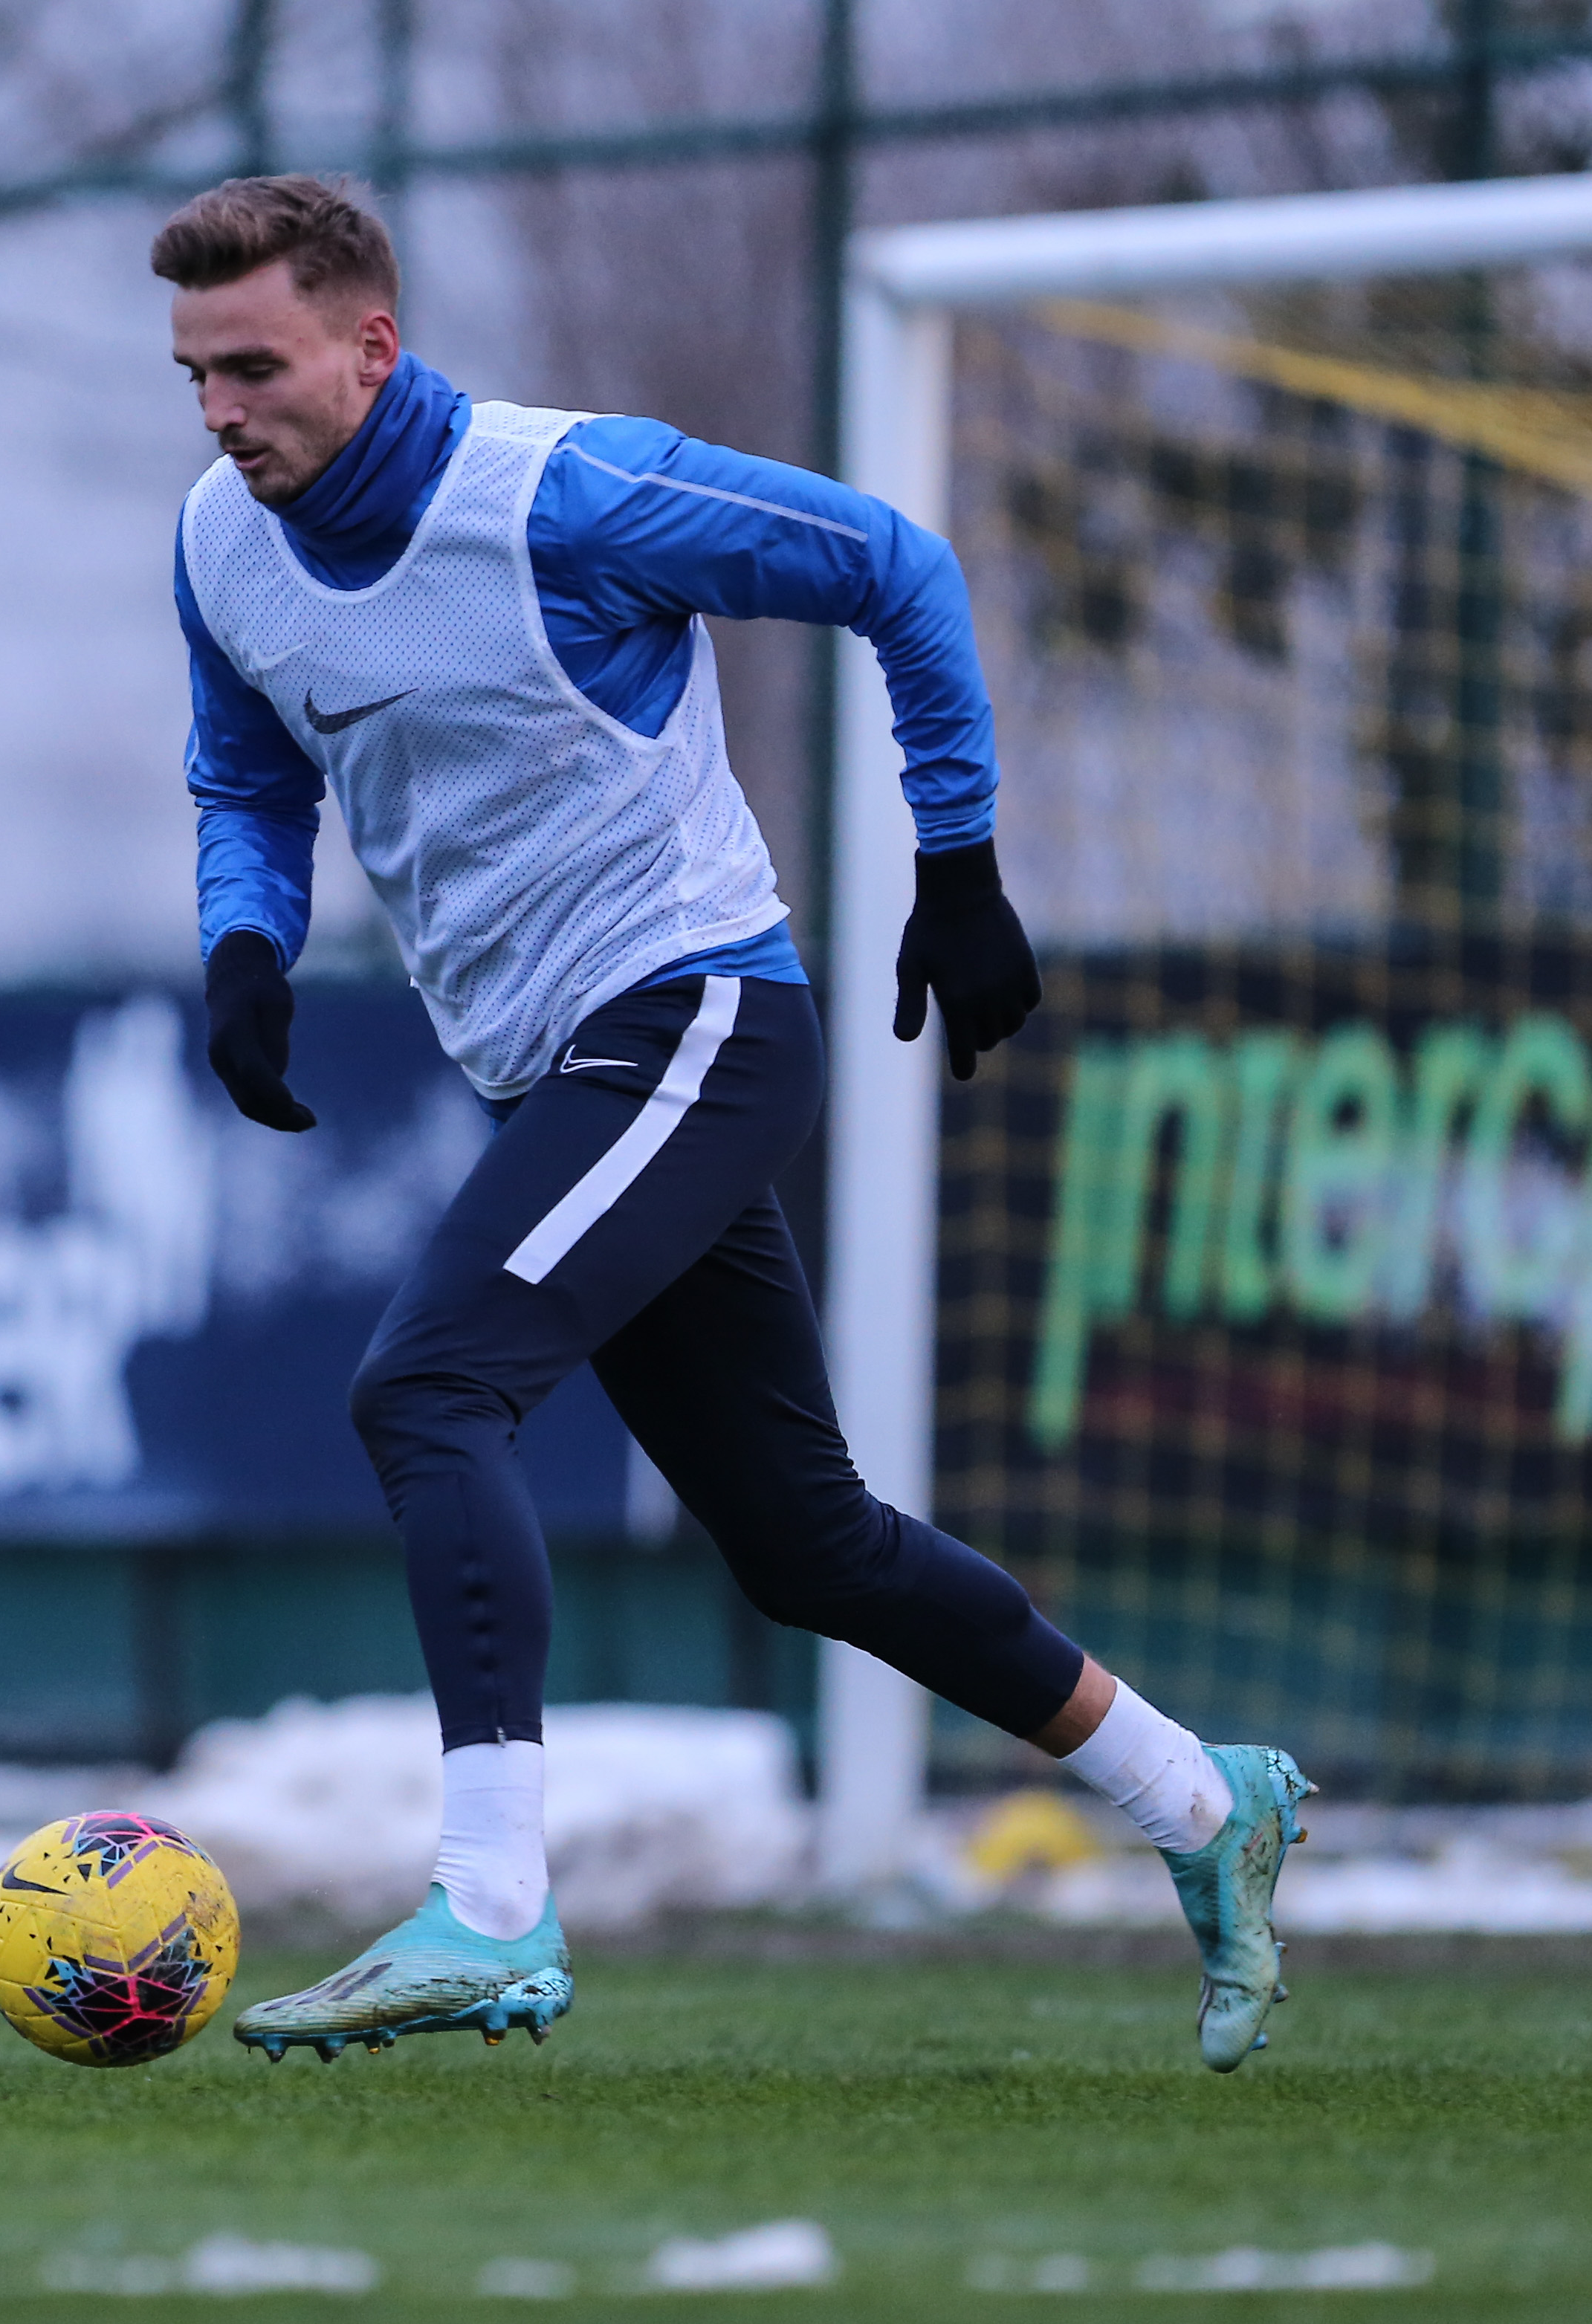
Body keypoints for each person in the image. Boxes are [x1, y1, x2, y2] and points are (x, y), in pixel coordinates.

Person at [155, 173, 1310, 2074]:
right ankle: (1201, 1795)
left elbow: (893, 564)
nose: (219, 412)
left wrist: (958, 862)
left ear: (370, 345)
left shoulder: (570, 493)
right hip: (553, 1063)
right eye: (195, 375)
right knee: (806, 1546)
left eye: (253, 368)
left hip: (693, 1013)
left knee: (427, 1388)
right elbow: (245, 776)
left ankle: (490, 1905)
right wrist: (244, 944)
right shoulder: (220, 543)